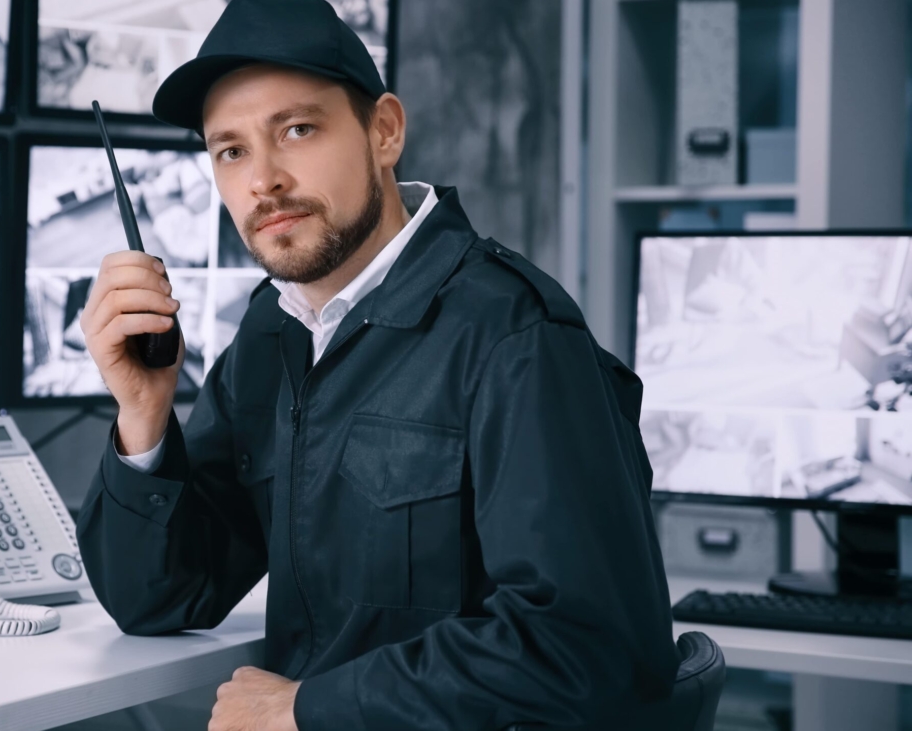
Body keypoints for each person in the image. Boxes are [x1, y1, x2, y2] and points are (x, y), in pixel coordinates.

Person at [77, 1, 677, 729]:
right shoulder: (274, 335)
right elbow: (163, 597)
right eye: (230, 150)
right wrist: (142, 413)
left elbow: (591, 650)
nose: (261, 180)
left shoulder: (514, 335)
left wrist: (307, 707)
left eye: (296, 129)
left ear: (384, 131)